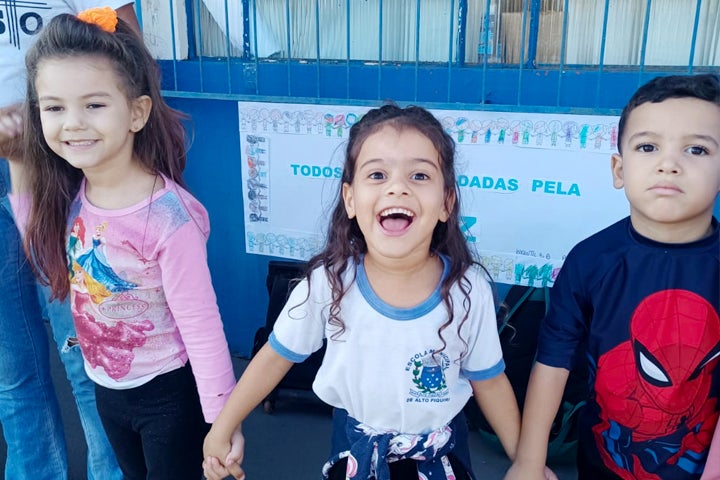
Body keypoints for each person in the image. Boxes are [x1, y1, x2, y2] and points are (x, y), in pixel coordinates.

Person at [203, 104, 523, 480]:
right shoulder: (329, 283)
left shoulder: (468, 291)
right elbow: (274, 357)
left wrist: (526, 460)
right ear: (351, 199)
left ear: (446, 203)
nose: (397, 187)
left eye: (420, 175)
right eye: (377, 174)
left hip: (441, 460)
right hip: (356, 456)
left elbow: (490, 380)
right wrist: (223, 427)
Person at [18, 9, 237, 480]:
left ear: (137, 112)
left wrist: (223, 421)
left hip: (168, 396)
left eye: (94, 105)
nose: (73, 123)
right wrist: (17, 163)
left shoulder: (168, 218)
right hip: (107, 389)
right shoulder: (70, 195)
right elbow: (38, 248)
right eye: (54, 108)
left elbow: (201, 326)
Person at [504, 73, 720, 480]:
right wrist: (529, 461)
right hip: (601, 464)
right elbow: (553, 360)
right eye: (648, 146)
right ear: (619, 169)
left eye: (697, 149)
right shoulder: (589, 261)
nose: (669, 164)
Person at [0, 2, 138, 479]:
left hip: (61, 154)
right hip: (26, 155)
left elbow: (128, 51)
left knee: (87, 353)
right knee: (11, 367)